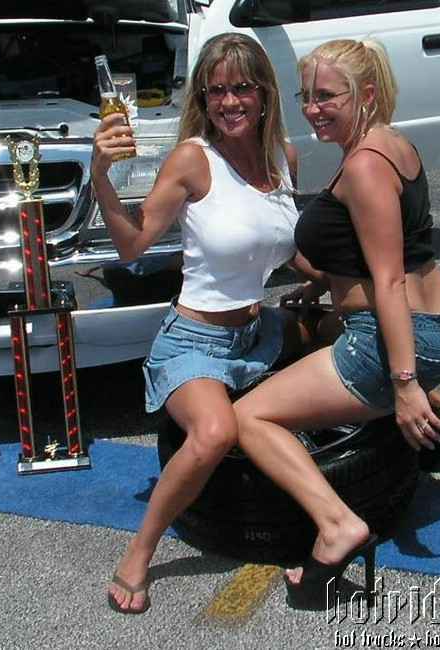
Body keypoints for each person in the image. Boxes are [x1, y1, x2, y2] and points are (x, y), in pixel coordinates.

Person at [234, 38, 440, 607]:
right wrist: (320, 286)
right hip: (436, 323)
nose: (313, 109)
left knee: (247, 418)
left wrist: (404, 385)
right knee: (315, 331)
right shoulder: (392, 144)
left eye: (327, 96)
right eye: (306, 96)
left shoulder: (364, 167)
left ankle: (336, 526)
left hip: (394, 340)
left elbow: (388, 281)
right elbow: (376, 252)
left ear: (365, 94)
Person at [91, 33, 300, 614]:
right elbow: (132, 245)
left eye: (242, 88)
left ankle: (318, 523)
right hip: (195, 342)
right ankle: (139, 554)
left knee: (357, 341)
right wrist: (100, 176)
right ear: (203, 100)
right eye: (216, 92)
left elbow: (290, 247)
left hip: (258, 332)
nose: (229, 102)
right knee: (213, 434)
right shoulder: (193, 159)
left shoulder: (282, 156)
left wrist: (357, 281)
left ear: (264, 93)